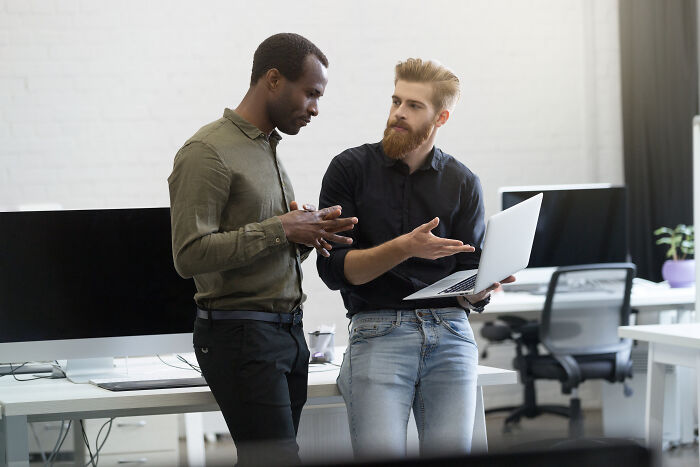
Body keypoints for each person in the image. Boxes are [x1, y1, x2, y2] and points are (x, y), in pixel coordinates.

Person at [168, 33, 357, 467]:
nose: (315, 108)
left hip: (286, 333)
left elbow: (270, 244)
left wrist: (309, 234)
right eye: (310, 93)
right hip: (241, 334)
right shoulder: (207, 152)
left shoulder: (268, 150)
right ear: (273, 79)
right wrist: (280, 228)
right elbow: (189, 255)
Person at [316, 58, 515, 460]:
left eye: (413, 106)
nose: (398, 114)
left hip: (451, 331)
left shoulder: (463, 182)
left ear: (440, 117)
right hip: (377, 329)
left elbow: (466, 279)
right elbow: (334, 270)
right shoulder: (349, 169)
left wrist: (481, 289)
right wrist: (404, 247)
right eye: (395, 101)